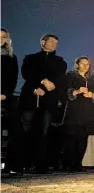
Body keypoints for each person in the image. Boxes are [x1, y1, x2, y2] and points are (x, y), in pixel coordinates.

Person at [18, 33, 67, 174]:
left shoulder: (60, 61)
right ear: (43, 42)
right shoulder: (31, 58)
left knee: (44, 132)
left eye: (56, 43)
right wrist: (39, 83)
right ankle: (22, 164)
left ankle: (41, 165)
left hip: (48, 100)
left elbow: (59, 79)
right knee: (25, 130)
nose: (54, 45)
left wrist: (46, 87)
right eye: (51, 42)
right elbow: (28, 73)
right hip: (30, 97)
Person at [63, 56, 94, 172]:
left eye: (87, 64)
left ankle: (78, 163)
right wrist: (77, 91)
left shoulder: (93, 79)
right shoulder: (70, 76)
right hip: (74, 111)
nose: (85, 66)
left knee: (83, 138)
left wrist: (92, 95)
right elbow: (64, 91)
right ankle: (68, 164)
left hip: (88, 112)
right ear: (77, 64)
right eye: (83, 63)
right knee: (72, 138)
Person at [1, 28, 19, 174]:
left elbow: (13, 78)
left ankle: (11, 165)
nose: (2, 38)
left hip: (6, 97)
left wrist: (5, 94)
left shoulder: (11, 57)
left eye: (4, 36)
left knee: (14, 130)